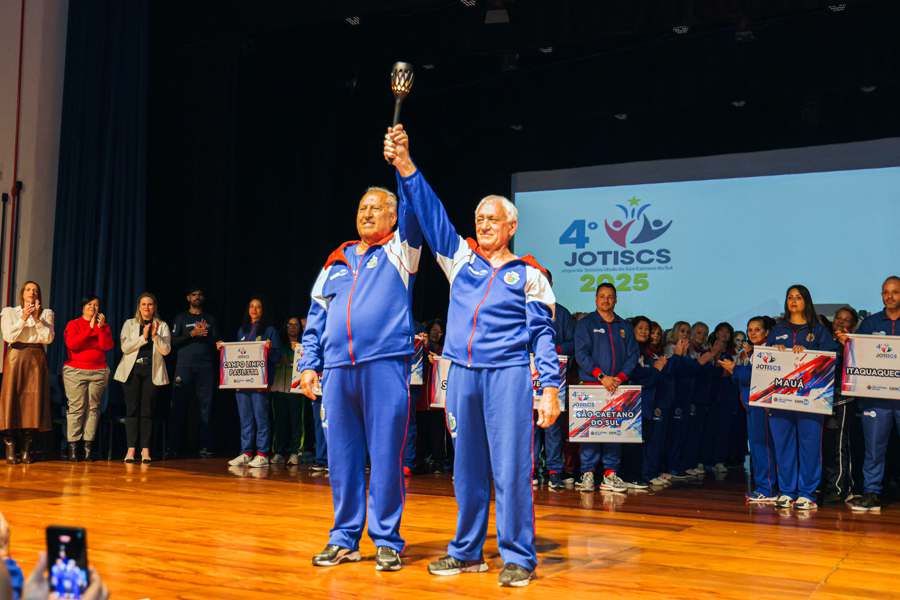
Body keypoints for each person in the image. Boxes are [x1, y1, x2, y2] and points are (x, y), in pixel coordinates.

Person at [387, 124, 560, 587]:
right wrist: (406, 164)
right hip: (462, 375)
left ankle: (519, 556)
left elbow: (543, 336)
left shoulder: (531, 274)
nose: (483, 224)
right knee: (466, 472)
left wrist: (550, 392)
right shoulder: (460, 259)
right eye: (479, 218)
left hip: (507, 377)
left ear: (512, 226)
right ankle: (466, 553)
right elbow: (431, 212)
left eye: (492, 218)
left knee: (511, 471)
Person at [299, 177, 422, 572]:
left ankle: (387, 539)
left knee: (386, 458)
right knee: (342, 460)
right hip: (337, 372)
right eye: (361, 209)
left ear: (392, 216)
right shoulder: (337, 259)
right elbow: (316, 317)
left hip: (385, 367)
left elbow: (414, 208)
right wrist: (308, 365)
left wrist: (402, 165)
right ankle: (344, 539)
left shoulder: (402, 251)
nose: (366, 214)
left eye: (375, 208)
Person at [767, 284, 837, 510]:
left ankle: (808, 493)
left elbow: (830, 357)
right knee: (784, 444)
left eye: (798, 297)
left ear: (806, 300)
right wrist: (775, 351)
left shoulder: (818, 330)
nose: (793, 301)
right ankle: (787, 491)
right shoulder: (777, 330)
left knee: (809, 445)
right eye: (790, 297)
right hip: (781, 399)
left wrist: (809, 355)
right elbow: (767, 363)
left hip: (810, 400)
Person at [572, 283, 640, 494]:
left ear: (616, 300)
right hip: (593, 385)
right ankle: (588, 473)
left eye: (610, 297)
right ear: (595, 299)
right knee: (589, 431)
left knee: (613, 431)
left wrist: (618, 378)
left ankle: (610, 474)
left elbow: (633, 356)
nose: (606, 300)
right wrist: (601, 376)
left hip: (617, 387)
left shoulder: (624, 326)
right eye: (602, 296)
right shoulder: (585, 324)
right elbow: (581, 354)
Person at [843, 276, 900, 513]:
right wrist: (847, 343)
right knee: (874, 449)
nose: (890, 296)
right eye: (885, 292)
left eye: (895, 292)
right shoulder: (869, 324)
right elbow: (857, 354)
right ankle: (872, 493)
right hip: (876, 399)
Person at [719, 316, 778, 503]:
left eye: (757, 329)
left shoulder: (767, 351)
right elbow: (740, 379)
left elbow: (758, 375)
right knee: (758, 446)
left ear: (767, 332)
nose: (752, 333)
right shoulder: (751, 352)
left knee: (763, 446)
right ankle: (765, 487)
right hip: (751, 407)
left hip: (763, 406)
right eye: (749, 329)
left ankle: (767, 489)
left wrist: (735, 369)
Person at [221, 297, 281, 469]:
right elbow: (236, 354)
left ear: (263, 311)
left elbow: (277, 358)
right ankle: (246, 453)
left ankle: (262, 454)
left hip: (259, 383)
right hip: (241, 382)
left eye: (258, 307)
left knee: (261, 418)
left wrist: (270, 349)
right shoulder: (242, 330)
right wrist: (223, 349)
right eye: (251, 307)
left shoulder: (270, 330)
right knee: (245, 418)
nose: (254, 310)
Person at [113, 292, 172, 464]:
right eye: (144, 304)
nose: (147, 307)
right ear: (139, 307)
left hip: (151, 372)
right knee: (132, 410)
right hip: (132, 371)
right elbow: (125, 348)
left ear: (154, 307)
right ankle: (131, 449)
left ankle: (145, 449)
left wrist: (154, 336)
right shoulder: (129, 324)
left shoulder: (162, 326)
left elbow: (166, 350)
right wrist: (143, 337)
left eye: (150, 304)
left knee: (147, 411)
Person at [0, 281, 54, 464]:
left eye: (35, 290)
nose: (32, 292)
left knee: (32, 402)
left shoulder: (46, 313)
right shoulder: (9, 312)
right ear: (22, 293)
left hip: (36, 359)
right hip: (16, 357)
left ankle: (26, 449)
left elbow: (47, 338)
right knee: (11, 399)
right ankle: (10, 445)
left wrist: (37, 319)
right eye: (29, 289)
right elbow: (8, 336)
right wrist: (23, 317)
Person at [169, 286, 218, 458]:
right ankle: (174, 447)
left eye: (200, 294)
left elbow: (215, 343)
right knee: (179, 407)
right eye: (194, 294)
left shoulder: (209, 318)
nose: (197, 297)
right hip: (184, 367)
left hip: (205, 368)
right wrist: (192, 333)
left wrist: (208, 337)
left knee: (206, 408)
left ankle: (205, 447)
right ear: (188, 298)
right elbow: (173, 342)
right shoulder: (181, 318)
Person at [62, 295, 113, 461]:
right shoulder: (74, 324)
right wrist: (90, 329)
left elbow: (107, 346)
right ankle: (73, 447)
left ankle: (88, 447)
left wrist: (100, 328)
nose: (93, 307)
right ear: (83, 307)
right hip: (75, 371)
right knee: (77, 407)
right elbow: (73, 344)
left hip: (98, 371)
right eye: (90, 304)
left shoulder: (103, 326)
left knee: (93, 408)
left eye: (96, 305)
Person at [538, 270, 575, 491]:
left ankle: (554, 472)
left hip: (555, 378)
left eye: (546, 281)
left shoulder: (562, 313)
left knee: (552, 427)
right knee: (529, 426)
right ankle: (530, 471)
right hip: (527, 377)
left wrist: (552, 350)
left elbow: (573, 344)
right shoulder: (520, 309)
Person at [820, 306, 860, 504]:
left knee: (841, 445)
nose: (841, 322)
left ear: (852, 325)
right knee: (826, 446)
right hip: (822, 400)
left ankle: (841, 488)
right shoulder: (825, 340)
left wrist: (848, 346)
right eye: (838, 318)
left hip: (844, 399)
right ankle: (828, 484)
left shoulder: (858, 344)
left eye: (846, 320)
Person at [630, 315, 672, 487]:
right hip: (634, 402)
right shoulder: (632, 350)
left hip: (648, 402)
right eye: (641, 328)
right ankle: (636, 476)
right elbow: (639, 377)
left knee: (648, 439)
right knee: (636, 443)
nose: (645, 332)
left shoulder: (647, 352)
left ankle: (645, 474)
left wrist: (655, 371)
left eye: (647, 329)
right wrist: (656, 370)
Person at [270, 316, 304, 465]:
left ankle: (295, 452)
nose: (292, 327)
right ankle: (278, 452)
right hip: (279, 387)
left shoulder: (304, 345)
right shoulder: (279, 344)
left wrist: (299, 351)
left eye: (295, 325)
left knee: (296, 422)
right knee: (279, 421)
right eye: (289, 324)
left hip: (296, 389)